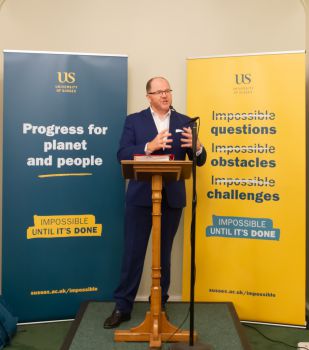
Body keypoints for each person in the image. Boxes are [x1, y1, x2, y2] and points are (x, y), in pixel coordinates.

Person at [103, 76, 206, 329]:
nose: (165, 95)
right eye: (159, 91)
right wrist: (148, 146)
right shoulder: (134, 121)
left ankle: (159, 305)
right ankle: (123, 306)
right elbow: (122, 154)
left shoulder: (185, 122)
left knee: (164, 255)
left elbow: (199, 161)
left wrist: (199, 147)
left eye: (168, 90)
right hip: (140, 198)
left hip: (171, 198)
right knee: (133, 254)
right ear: (148, 96)